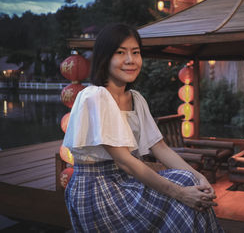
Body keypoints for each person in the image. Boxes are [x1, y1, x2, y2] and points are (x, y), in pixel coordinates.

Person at [62, 23, 224, 232]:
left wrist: (201, 177)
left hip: (127, 181)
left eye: (135, 52)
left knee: (192, 182)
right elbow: (125, 161)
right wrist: (181, 193)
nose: (131, 60)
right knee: (185, 193)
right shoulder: (95, 96)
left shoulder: (136, 99)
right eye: (121, 53)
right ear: (105, 58)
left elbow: (161, 148)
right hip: (98, 189)